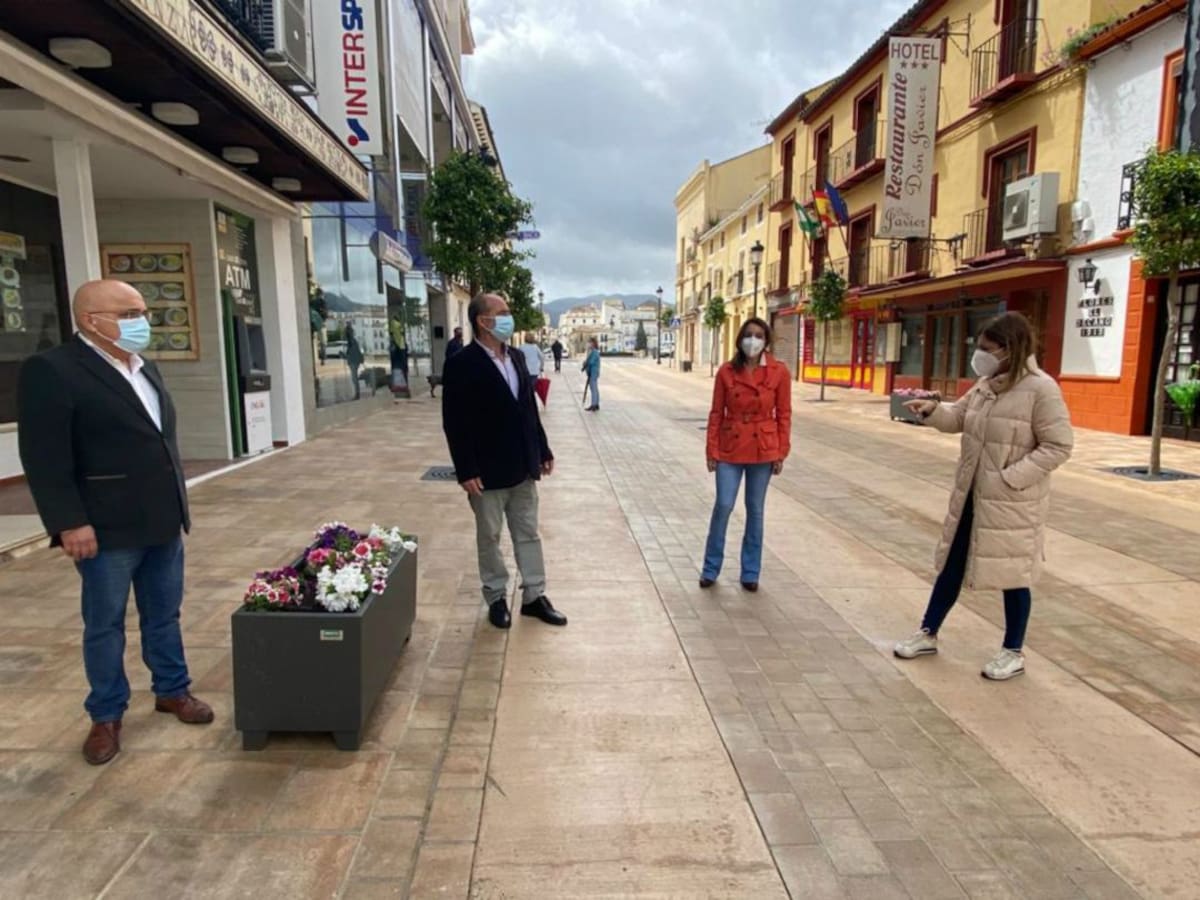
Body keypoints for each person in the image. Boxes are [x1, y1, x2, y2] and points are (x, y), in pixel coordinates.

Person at [17, 280, 213, 766]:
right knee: (104, 624)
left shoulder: (145, 368)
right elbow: (44, 457)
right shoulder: (54, 370)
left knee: (164, 613)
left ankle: (172, 689)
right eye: (128, 312)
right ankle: (106, 714)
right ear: (91, 320)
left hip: (162, 519)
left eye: (142, 310)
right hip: (105, 527)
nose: (140, 321)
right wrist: (69, 522)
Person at [894, 312, 1074, 681]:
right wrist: (932, 411)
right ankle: (928, 632)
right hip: (972, 497)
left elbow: (1059, 446)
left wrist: (1010, 478)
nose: (980, 356)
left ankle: (1013, 651)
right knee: (952, 564)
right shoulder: (985, 384)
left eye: (987, 349)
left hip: (1011, 501)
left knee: (1014, 574)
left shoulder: (1041, 389)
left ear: (1010, 349)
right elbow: (957, 418)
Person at [442, 292, 567, 630]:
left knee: (528, 533)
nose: (509, 317)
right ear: (483, 321)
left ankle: (534, 596)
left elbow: (528, 408)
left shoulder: (515, 356)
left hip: (523, 467)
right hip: (486, 472)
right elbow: (454, 422)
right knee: (490, 537)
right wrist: (466, 469)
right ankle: (496, 597)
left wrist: (542, 449)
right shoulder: (462, 363)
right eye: (503, 312)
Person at [700, 318, 791, 593]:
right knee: (724, 505)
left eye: (759, 335)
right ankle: (710, 568)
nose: (753, 340)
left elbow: (784, 414)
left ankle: (750, 572)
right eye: (749, 335)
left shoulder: (779, 372)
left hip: (763, 447)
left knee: (756, 510)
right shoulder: (727, 372)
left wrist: (781, 451)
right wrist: (711, 449)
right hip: (730, 444)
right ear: (740, 339)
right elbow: (716, 413)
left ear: (767, 340)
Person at [345, 320, 364, 400]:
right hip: (354, 361)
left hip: (353, 362)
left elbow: (351, 354)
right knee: (354, 378)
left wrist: (343, 355)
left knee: (354, 378)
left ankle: (357, 394)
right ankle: (357, 394)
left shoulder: (351, 342)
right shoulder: (352, 341)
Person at [582, 337, 601, 411]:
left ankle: (594, 404)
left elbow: (591, 362)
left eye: (590, 342)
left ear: (593, 343)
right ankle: (596, 403)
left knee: (593, 388)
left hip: (593, 372)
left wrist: (585, 363)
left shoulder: (594, 352)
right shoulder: (593, 351)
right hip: (592, 372)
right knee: (594, 388)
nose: (588, 344)